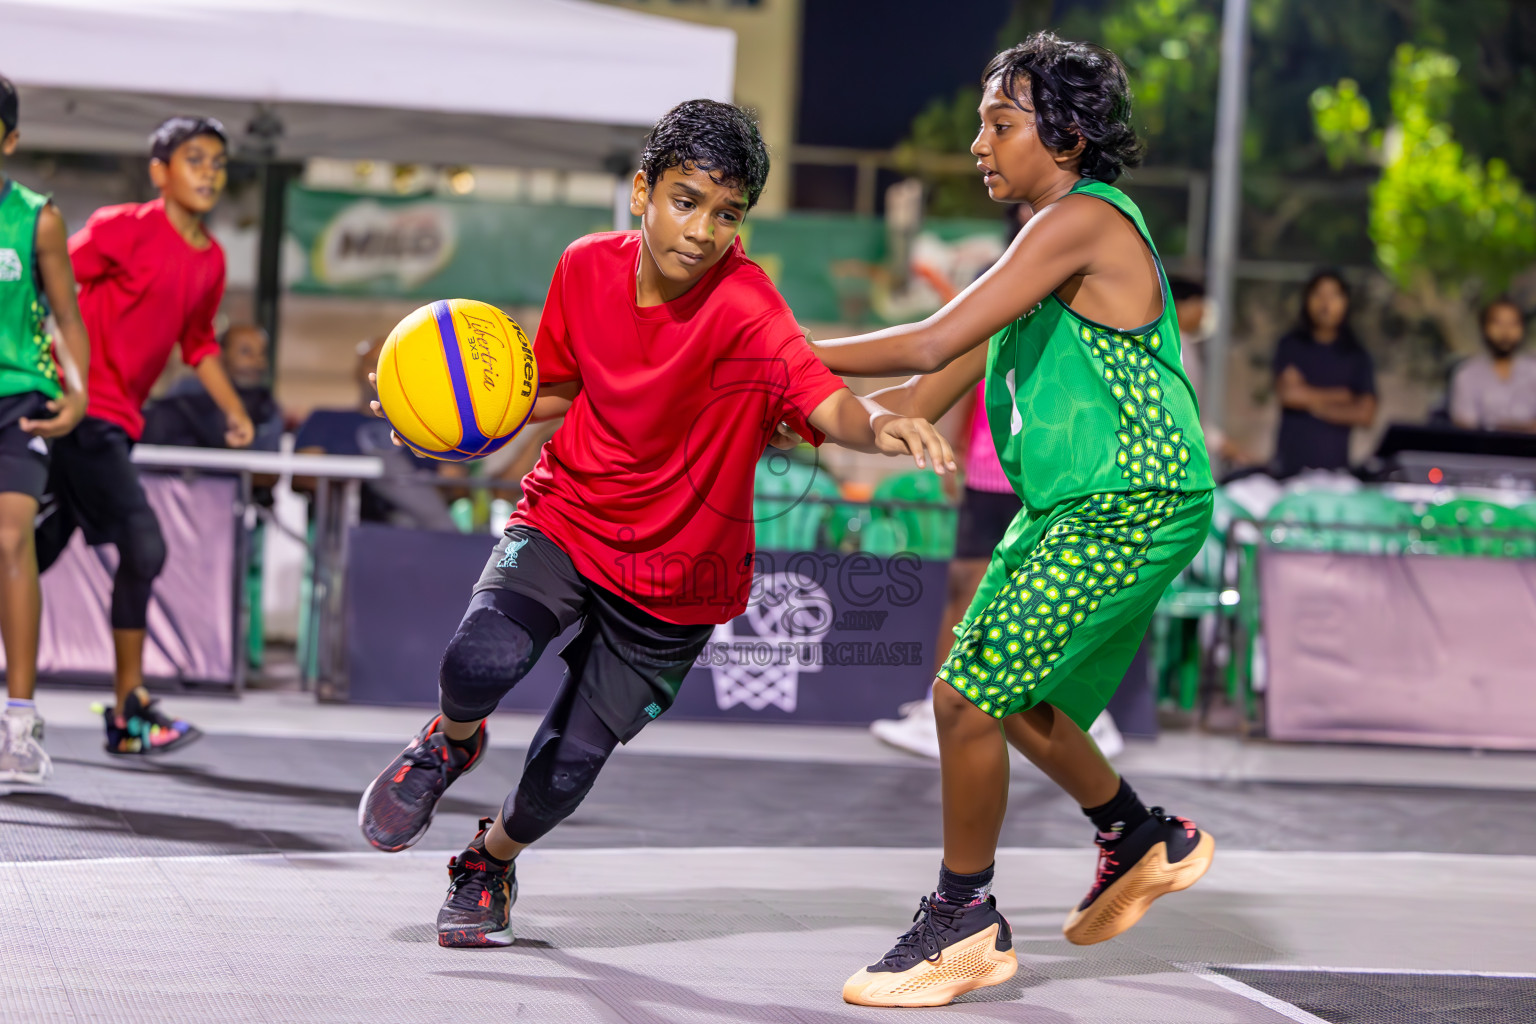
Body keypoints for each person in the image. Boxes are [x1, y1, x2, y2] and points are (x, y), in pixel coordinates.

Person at [355, 99, 954, 949]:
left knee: (564, 774)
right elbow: (555, 384)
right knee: (479, 656)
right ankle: (450, 742)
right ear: (642, 192)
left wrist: (876, 427)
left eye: (727, 213)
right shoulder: (583, 268)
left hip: (679, 576)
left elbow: (821, 397)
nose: (703, 230)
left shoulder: (749, 303)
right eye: (685, 200)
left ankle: (487, 860)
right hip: (570, 514)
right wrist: (443, 415)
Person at [801, 34, 1217, 1006]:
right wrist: (760, 394)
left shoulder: (1085, 219)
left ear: (1066, 134)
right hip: (1072, 507)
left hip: (1129, 498)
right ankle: (1139, 833)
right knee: (1021, 703)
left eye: (1001, 123)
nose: (981, 144)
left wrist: (773, 343)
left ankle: (965, 918)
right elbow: (917, 389)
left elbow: (936, 332)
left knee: (966, 698)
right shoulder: (1033, 255)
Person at [870, 203, 1124, 762]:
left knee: (1049, 602)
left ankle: (1086, 717)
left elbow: (930, 349)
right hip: (992, 467)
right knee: (968, 588)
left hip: (1051, 473)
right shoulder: (995, 285)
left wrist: (799, 355)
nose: (986, 151)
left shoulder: (1085, 291)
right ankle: (941, 705)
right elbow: (947, 372)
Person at [38, 115, 254, 757]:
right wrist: (45, 369)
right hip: (83, 414)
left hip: (116, 424)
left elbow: (198, 343)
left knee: (34, 553)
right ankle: (130, 709)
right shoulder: (120, 228)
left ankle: (126, 713)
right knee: (144, 545)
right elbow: (47, 282)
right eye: (195, 159)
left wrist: (232, 410)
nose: (210, 171)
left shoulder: (211, 260)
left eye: (217, 162)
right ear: (160, 171)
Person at [0, 74, 91, 785]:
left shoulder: (38, 217)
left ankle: (18, 724)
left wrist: (79, 388)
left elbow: (66, 316)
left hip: (19, 398)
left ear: (10, 140)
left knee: (10, 538)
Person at [294, 337, 460, 530]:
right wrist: (358, 482)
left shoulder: (429, 427)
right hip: (343, 525)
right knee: (382, 465)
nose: (382, 373)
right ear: (357, 371)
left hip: (414, 529)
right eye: (374, 364)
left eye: (392, 366)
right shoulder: (325, 420)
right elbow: (302, 477)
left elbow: (458, 484)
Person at [1271, 269, 1376, 477]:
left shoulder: (1356, 355)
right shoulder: (1291, 346)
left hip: (1336, 471)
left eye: (1333, 295)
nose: (1325, 303)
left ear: (1345, 302)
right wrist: (1342, 396)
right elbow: (1290, 396)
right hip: (1289, 470)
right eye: (1318, 294)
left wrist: (1309, 400)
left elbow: (1365, 414)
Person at [142, 323, 283, 451]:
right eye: (245, 352)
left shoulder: (266, 406)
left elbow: (268, 470)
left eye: (262, 354)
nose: (257, 362)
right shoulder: (187, 390)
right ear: (220, 353)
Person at [1449, 298, 1536, 432]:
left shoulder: (1533, 370)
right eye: (1498, 323)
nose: (1506, 332)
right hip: (1485, 451)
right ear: (1484, 327)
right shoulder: (1467, 375)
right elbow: (1466, 427)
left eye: (1513, 324)